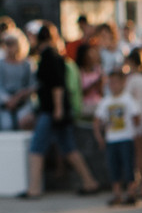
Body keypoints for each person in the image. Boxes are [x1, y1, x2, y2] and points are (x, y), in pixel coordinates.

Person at [27, 33, 98, 198]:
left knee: (36, 148)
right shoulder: (58, 57)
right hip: (59, 111)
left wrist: (58, 108)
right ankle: (89, 181)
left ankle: (34, 188)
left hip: (51, 111)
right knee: (69, 148)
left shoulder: (48, 57)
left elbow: (57, 85)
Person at [97, 67, 142, 207]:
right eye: (110, 82)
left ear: (123, 83)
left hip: (126, 138)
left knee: (129, 166)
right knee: (113, 167)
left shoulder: (128, 100)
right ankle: (117, 193)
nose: (113, 85)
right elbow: (98, 120)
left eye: (116, 82)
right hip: (112, 139)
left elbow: (136, 117)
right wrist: (100, 136)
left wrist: (135, 132)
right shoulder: (106, 101)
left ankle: (131, 193)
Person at [0, 31, 37, 132]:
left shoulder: (27, 64)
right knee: (7, 126)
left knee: (26, 122)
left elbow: (33, 84)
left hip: (23, 101)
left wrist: (20, 96)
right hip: (5, 103)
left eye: (11, 43)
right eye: (6, 43)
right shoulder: (0, 64)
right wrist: (8, 100)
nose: (9, 46)